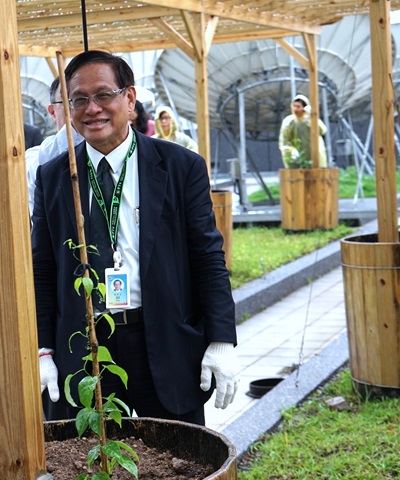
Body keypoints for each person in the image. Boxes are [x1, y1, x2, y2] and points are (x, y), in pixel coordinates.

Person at [33, 50, 238, 426]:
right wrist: (43, 349)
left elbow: (208, 256)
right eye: (79, 99)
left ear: (129, 99)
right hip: (85, 347)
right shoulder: (54, 178)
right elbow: (43, 270)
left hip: (161, 340)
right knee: (90, 460)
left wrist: (221, 340)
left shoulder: (180, 167)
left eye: (103, 95)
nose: (92, 109)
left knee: (178, 457)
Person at [25, 77, 85, 217]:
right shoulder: (35, 156)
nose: (88, 108)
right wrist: (74, 128)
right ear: (52, 112)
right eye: (73, 101)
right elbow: (36, 175)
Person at [278, 94, 328, 168]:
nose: (295, 109)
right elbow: (284, 140)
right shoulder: (289, 121)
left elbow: (322, 130)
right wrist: (291, 151)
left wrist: (311, 116)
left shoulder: (311, 119)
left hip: (315, 156)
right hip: (297, 158)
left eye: (298, 107)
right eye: (294, 106)